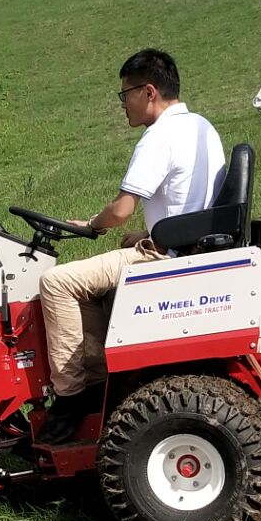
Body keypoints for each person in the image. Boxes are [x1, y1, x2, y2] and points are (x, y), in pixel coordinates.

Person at [36, 49, 225, 443]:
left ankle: (71, 395)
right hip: (186, 243)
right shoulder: (203, 127)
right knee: (92, 283)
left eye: (125, 95)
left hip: (165, 256)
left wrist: (91, 224)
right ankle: (101, 378)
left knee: (57, 283)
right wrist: (150, 232)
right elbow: (191, 202)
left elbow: (121, 210)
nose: (123, 104)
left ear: (149, 92)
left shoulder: (159, 137)